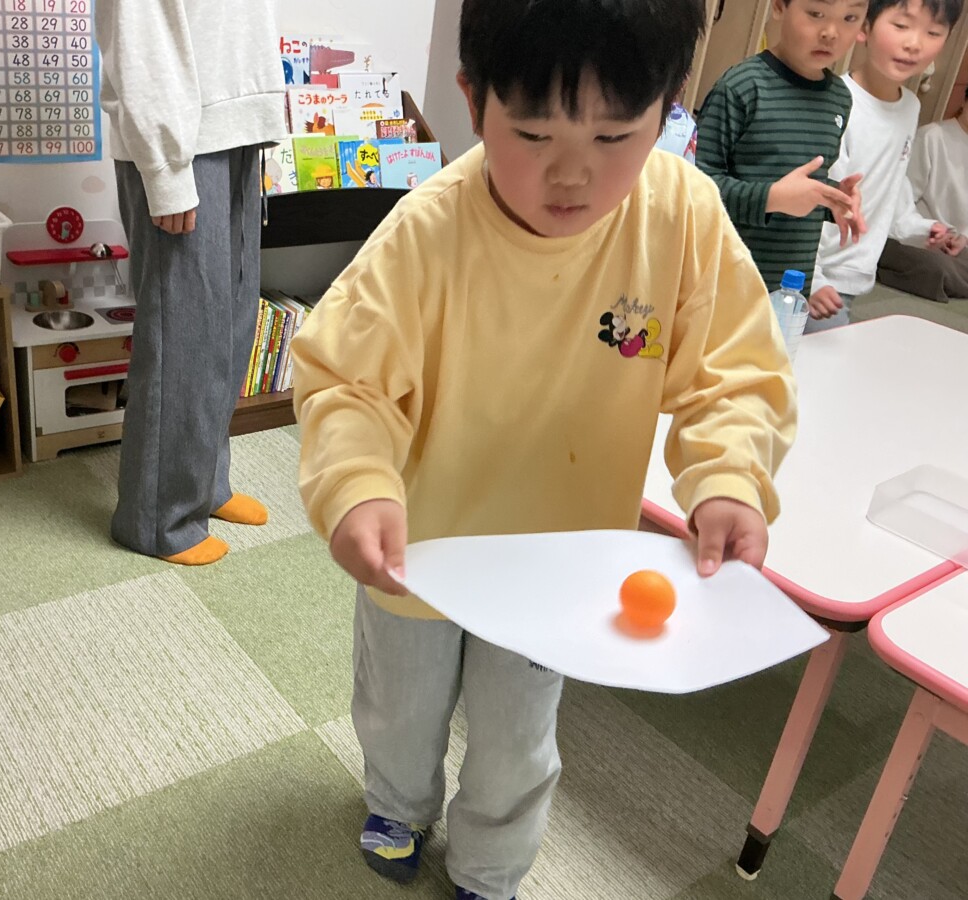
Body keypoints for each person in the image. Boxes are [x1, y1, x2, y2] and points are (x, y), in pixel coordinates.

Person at [288, 1, 798, 898]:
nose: (572, 174)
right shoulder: (427, 229)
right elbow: (348, 380)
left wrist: (727, 476)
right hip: (421, 547)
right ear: (473, 100)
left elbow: (734, 374)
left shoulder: (681, 214)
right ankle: (398, 804)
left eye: (614, 136)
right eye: (532, 135)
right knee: (400, 707)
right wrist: (357, 482)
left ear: (670, 106)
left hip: (563, 558)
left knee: (517, 737)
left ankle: (490, 867)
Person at [96, 3, 285, 566]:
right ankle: (157, 520)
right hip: (184, 135)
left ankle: (203, 485)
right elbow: (140, 31)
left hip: (233, 128)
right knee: (183, 333)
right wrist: (165, 170)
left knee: (229, 324)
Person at [696, 0, 869, 300]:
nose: (831, 32)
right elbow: (697, 187)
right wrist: (771, 198)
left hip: (791, 289)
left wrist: (833, 198)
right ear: (778, 6)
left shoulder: (839, 98)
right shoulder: (741, 86)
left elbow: (799, 187)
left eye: (850, 18)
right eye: (816, 14)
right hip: (725, 284)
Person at [808, 0, 964, 331]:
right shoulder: (834, 103)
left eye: (933, 32)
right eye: (901, 26)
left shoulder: (910, 108)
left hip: (853, 279)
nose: (914, 43)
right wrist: (811, 277)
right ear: (864, 26)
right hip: (808, 277)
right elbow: (808, 201)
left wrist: (925, 230)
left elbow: (893, 194)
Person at [876, 85, 968, 301]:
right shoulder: (931, 137)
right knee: (937, 269)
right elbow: (903, 203)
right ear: (964, 101)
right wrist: (931, 232)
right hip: (921, 239)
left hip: (960, 247)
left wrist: (963, 238)